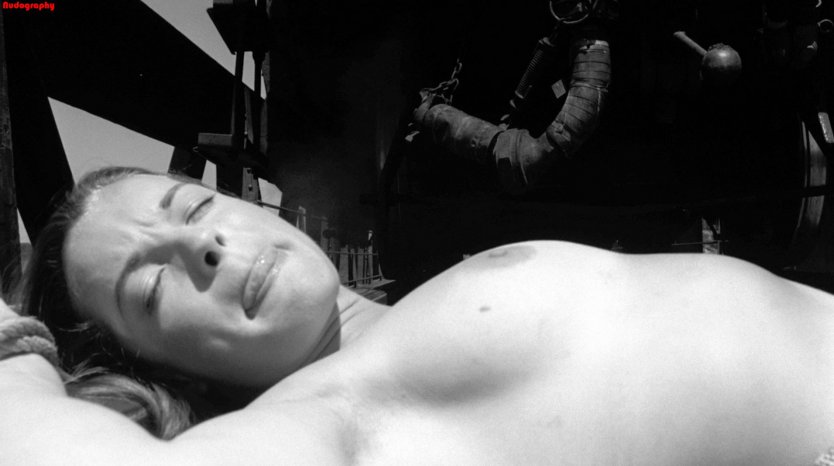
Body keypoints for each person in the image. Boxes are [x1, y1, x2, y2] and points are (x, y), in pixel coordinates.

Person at [2, 166, 834, 465]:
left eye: (194, 206)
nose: (205, 246)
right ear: (164, 369)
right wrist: (15, 351)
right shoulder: (329, 412)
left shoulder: (394, 331)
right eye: (152, 288)